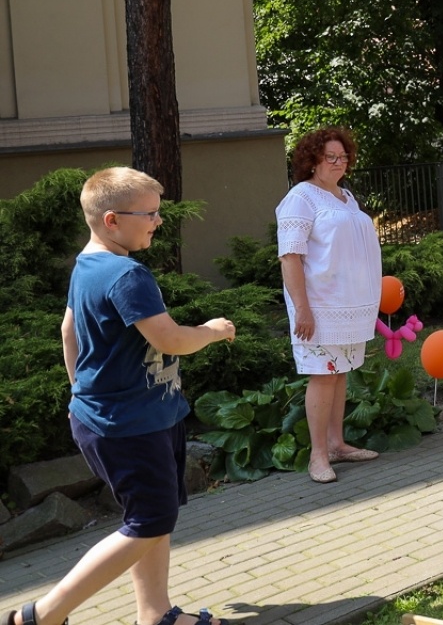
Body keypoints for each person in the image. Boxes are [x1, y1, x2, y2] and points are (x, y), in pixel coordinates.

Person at [8, 168, 236, 625]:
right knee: (147, 522)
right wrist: (211, 332)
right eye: (149, 214)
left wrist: (82, 390)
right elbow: (170, 340)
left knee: (155, 519)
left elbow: (68, 330)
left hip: (136, 415)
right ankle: (41, 615)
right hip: (129, 425)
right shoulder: (126, 274)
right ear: (112, 219)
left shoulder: (88, 264)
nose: (157, 221)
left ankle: (154, 613)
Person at [276, 126, 383, 485]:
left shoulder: (345, 197)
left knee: (339, 373)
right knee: (323, 375)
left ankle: (337, 444)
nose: (339, 162)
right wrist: (302, 308)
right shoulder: (301, 198)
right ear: (312, 161)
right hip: (319, 307)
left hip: (348, 306)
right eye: (330, 157)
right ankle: (317, 456)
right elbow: (290, 257)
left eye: (343, 156)